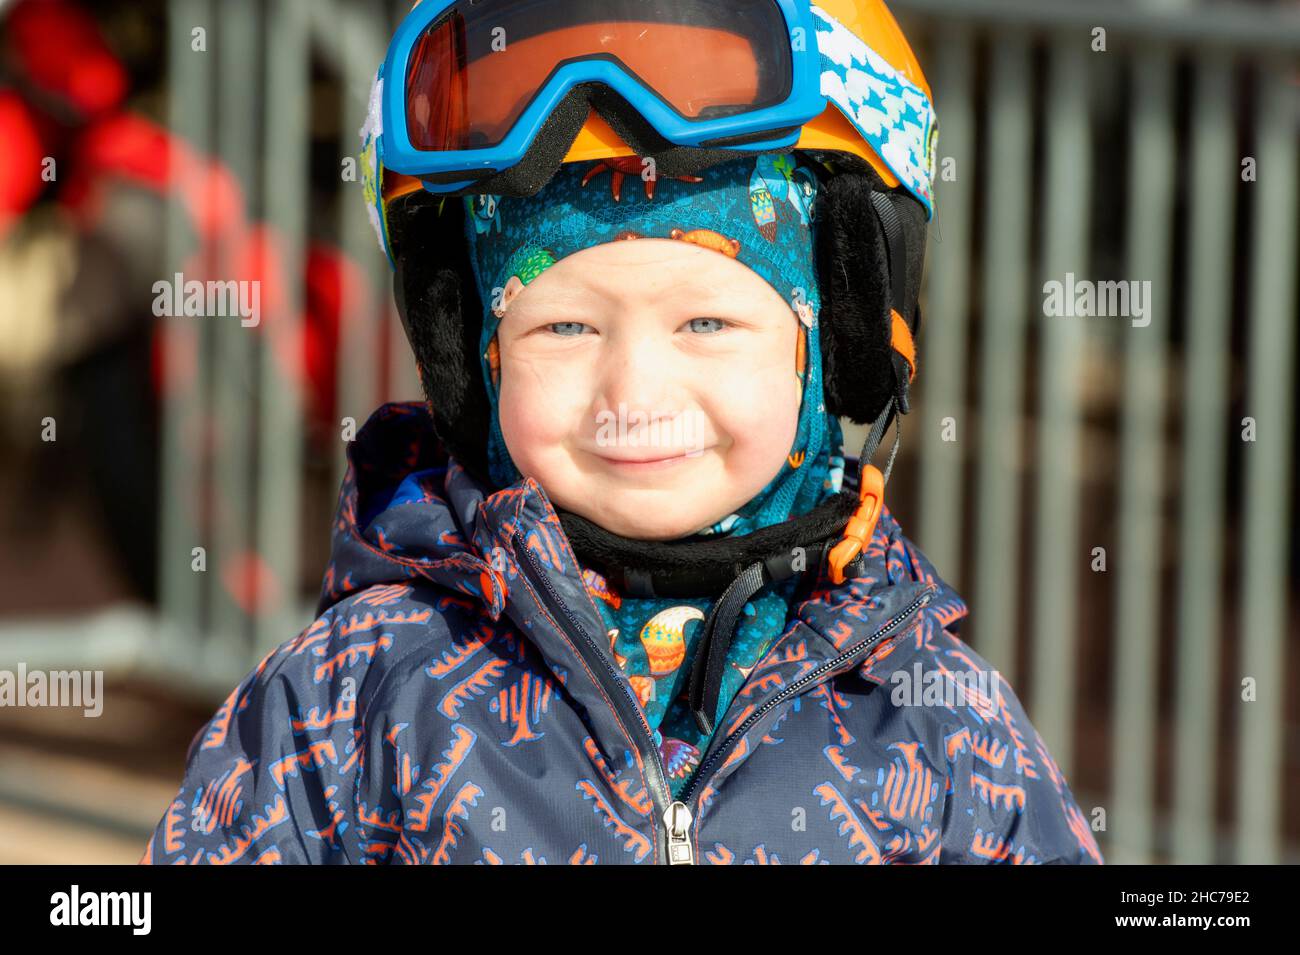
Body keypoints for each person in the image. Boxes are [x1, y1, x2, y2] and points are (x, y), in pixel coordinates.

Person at [142, 0, 1103, 865]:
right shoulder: (350, 705)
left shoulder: (938, 723)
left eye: (707, 324)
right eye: (565, 327)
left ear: (839, 342)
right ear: (471, 360)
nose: (633, 390)